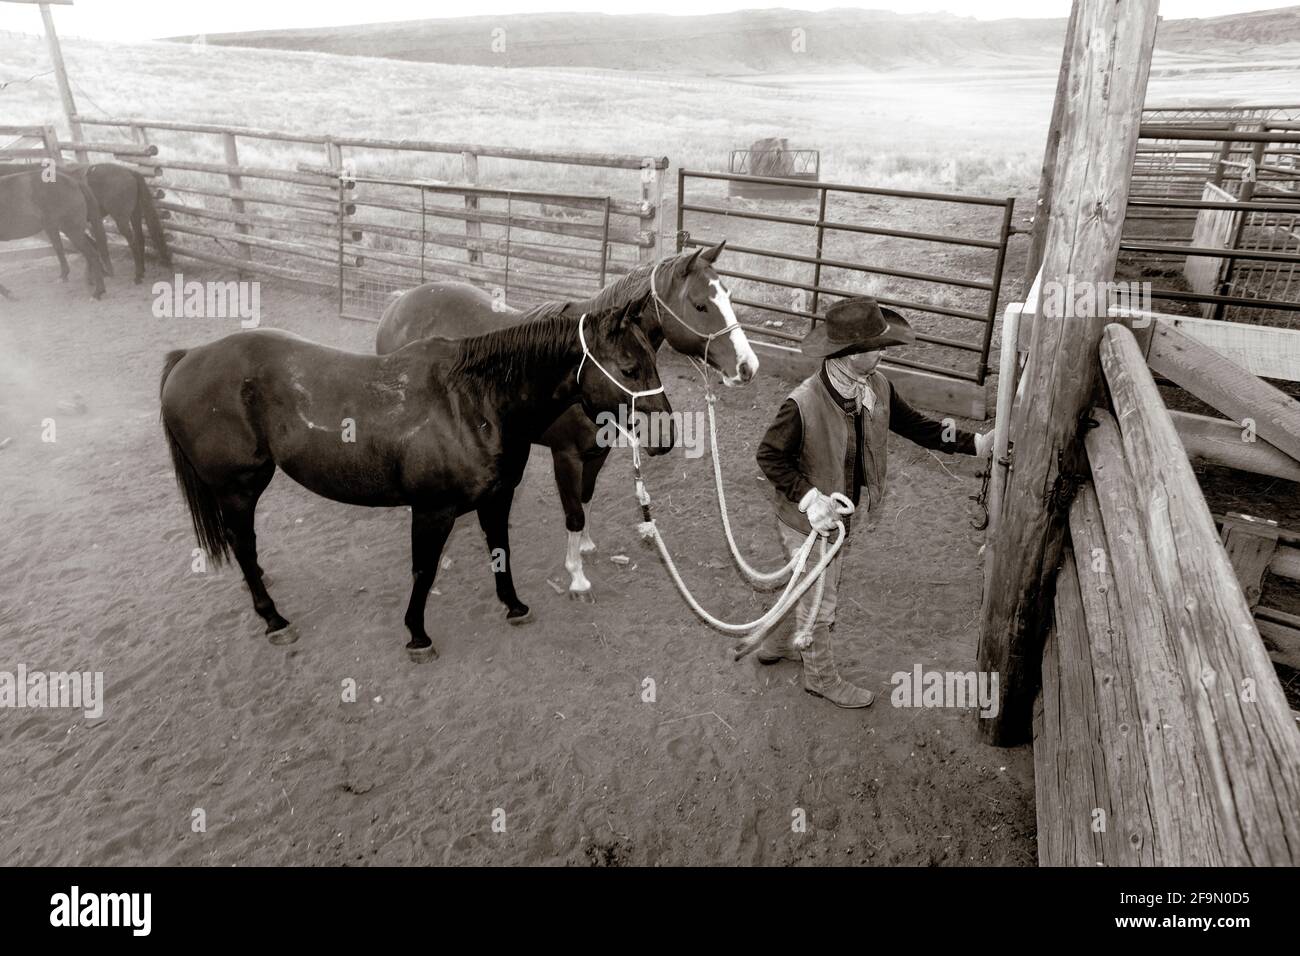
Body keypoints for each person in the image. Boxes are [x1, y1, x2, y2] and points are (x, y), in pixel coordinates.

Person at [755, 297, 992, 709]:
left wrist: (974, 443)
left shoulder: (875, 387)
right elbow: (769, 456)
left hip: (840, 515)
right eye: (877, 345)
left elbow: (916, 425)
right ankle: (821, 678)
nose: (884, 350)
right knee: (822, 599)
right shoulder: (803, 402)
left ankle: (774, 646)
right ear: (848, 353)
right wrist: (810, 498)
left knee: (807, 588)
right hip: (806, 521)